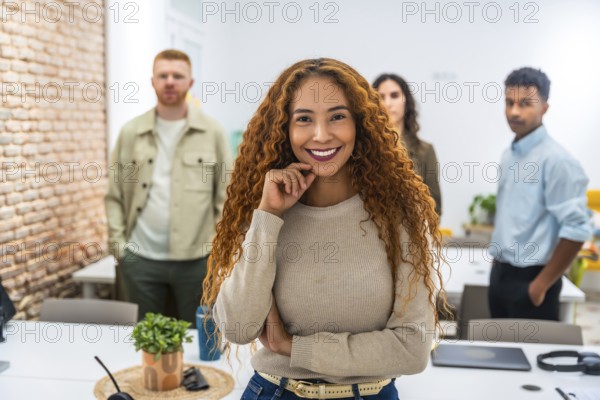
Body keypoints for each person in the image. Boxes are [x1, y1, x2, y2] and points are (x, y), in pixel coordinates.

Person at [203, 58, 445, 399]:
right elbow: (237, 327)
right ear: (284, 128)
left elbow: (411, 349)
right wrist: (268, 216)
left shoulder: (402, 216)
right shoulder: (264, 212)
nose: (321, 134)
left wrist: (292, 346)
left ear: (359, 124)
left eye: (337, 116)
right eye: (304, 119)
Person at [105, 49, 231, 325]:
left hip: (197, 260)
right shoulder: (131, 132)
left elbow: (226, 198)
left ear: (190, 82)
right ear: (153, 81)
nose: (170, 81)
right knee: (146, 340)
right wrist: (119, 247)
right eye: (163, 75)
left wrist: (219, 251)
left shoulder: (213, 132)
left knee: (197, 339)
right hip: (139, 260)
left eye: (177, 75)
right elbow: (114, 196)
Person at [489, 67, 592, 320]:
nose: (514, 111)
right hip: (500, 275)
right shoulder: (509, 154)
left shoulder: (558, 161)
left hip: (532, 280)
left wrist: (541, 285)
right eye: (509, 102)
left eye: (525, 103)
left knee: (531, 358)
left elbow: (577, 229)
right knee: (500, 356)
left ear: (544, 106)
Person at [373, 74, 442, 216]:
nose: (388, 103)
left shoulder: (425, 150)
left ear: (406, 101)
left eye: (394, 95)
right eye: (381, 97)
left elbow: (435, 207)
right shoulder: (363, 149)